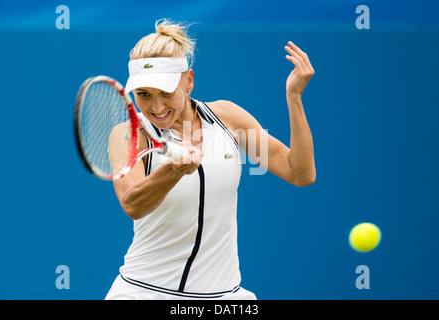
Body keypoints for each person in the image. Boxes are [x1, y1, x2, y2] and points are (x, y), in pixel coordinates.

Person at [105, 19, 315, 300]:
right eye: (143, 94)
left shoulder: (228, 118)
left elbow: (299, 172)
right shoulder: (130, 135)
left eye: (166, 93)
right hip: (144, 293)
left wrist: (294, 97)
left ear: (189, 80)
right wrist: (173, 171)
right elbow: (132, 203)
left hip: (224, 297)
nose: (156, 107)